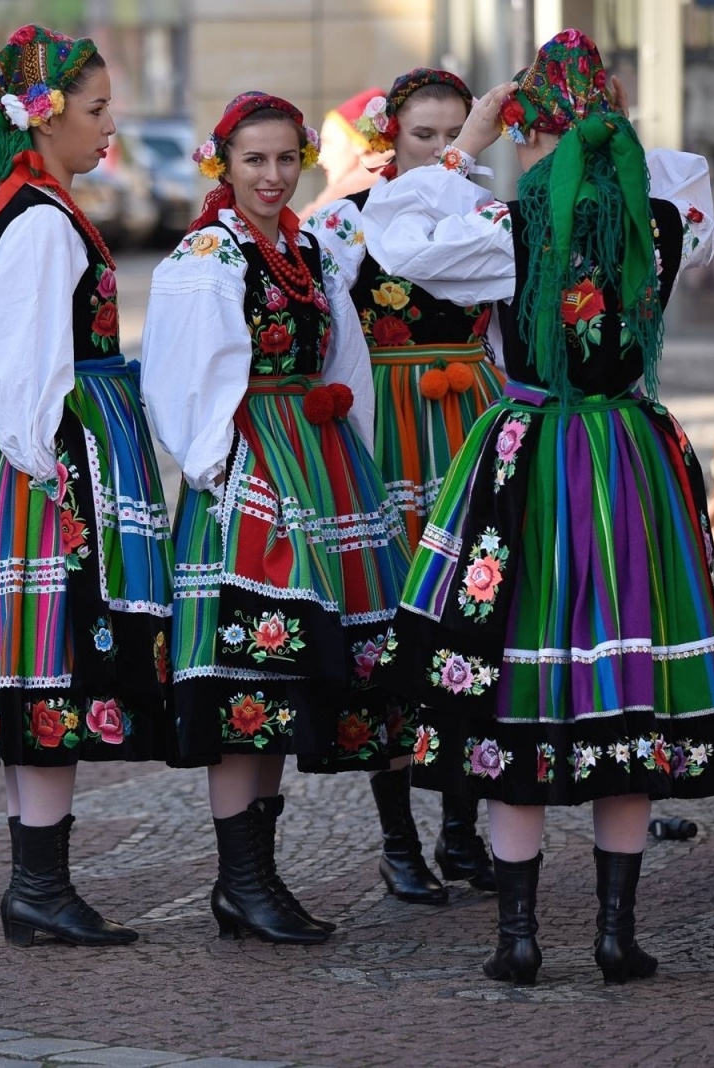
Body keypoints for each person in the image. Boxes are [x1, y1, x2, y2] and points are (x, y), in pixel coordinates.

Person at [361, 30, 714, 985]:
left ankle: (519, 938)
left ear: (528, 132)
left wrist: (463, 149)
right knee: (628, 685)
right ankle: (616, 935)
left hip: (532, 459)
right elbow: (689, 186)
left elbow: (393, 232)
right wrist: (605, 136)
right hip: (628, 459)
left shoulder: (509, 226)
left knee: (511, 684)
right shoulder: (664, 222)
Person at [142, 92, 410, 945]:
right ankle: (243, 882)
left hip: (316, 459)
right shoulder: (206, 253)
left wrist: (351, 456)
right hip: (250, 469)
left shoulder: (306, 247)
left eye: (286, 159)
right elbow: (181, 379)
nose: (272, 175)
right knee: (243, 674)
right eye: (254, 159)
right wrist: (224, 474)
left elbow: (346, 358)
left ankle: (254, 882)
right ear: (224, 164)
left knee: (283, 680)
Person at [0, 25, 173, 950]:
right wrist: (55, 475)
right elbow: (19, 363)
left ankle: (39, 884)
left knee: (47, 671)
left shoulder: (42, 206)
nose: (111, 126)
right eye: (99, 109)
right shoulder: (37, 220)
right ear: (45, 114)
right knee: (53, 665)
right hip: (54, 466)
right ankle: (38, 886)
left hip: (54, 457)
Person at [304, 68, 506, 908]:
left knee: (477, 620)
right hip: (387, 426)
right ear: (391, 136)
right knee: (391, 629)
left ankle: (462, 829)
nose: (440, 149)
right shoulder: (348, 219)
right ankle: (398, 840)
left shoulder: (488, 210)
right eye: (423, 135)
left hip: (475, 420)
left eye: (454, 132)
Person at [299, 87, 389, 219]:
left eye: (328, 142)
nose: (320, 158)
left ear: (359, 143)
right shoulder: (397, 172)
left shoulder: (354, 188)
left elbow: (299, 230)